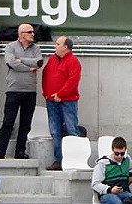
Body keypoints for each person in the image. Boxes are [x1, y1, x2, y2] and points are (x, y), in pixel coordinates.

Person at [0, 23, 43, 160]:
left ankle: (20, 151)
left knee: (25, 124)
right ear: (21, 34)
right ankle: (0, 151)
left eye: (32, 32)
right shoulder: (11, 47)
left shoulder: (36, 48)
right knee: (8, 122)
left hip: (30, 91)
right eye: (29, 32)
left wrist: (22, 60)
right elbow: (11, 63)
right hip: (14, 90)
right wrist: (28, 68)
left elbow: (38, 62)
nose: (33, 34)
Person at [42, 35, 82, 171]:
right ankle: (59, 160)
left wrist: (60, 94)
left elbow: (73, 80)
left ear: (65, 47)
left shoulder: (73, 61)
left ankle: (75, 160)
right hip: (51, 101)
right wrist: (46, 94)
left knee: (72, 129)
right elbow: (45, 75)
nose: (55, 46)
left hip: (68, 101)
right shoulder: (52, 60)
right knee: (55, 131)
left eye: (58, 44)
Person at [91, 136, 132, 204]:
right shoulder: (103, 163)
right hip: (107, 194)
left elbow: (131, 169)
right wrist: (110, 189)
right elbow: (95, 184)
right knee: (117, 202)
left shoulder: (127, 159)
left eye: (122, 153)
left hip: (123, 191)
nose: (119, 156)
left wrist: (131, 176)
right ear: (112, 150)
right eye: (117, 153)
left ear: (125, 150)